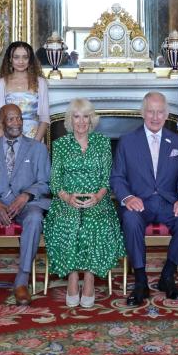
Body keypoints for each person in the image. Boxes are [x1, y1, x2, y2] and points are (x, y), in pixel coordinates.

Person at [111, 92, 178, 305]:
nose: (155, 117)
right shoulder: (127, 141)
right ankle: (140, 280)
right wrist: (128, 197)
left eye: (160, 112)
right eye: (150, 111)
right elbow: (117, 177)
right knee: (130, 219)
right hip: (140, 202)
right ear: (142, 113)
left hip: (168, 203)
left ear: (167, 114)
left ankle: (168, 275)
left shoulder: (176, 142)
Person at [44, 99, 125, 308]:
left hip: (97, 198)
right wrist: (67, 197)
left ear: (91, 119)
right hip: (66, 199)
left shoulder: (102, 142)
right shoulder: (60, 144)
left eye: (85, 116)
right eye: (76, 116)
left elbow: (108, 178)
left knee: (93, 224)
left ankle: (89, 278)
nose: (81, 121)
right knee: (68, 223)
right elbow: (54, 181)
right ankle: (72, 277)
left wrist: (97, 196)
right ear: (70, 120)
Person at [0, 104, 51, 306]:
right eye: (11, 119)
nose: (17, 123)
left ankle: (21, 281)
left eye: (19, 118)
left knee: (34, 218)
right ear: (1, 123)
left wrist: (26, 196)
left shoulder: (38, 148)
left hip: (26, 204)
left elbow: (45, 182)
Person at [0, 41, 49, 141]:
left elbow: (44, 119)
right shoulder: (1, 83)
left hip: (35, 138)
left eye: (25, 57)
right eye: (16, 57)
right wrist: (6, 145)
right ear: (10, 59)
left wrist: (35, 145)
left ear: (30, 60)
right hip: (8, 138)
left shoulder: (40, 82)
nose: (21, 61)